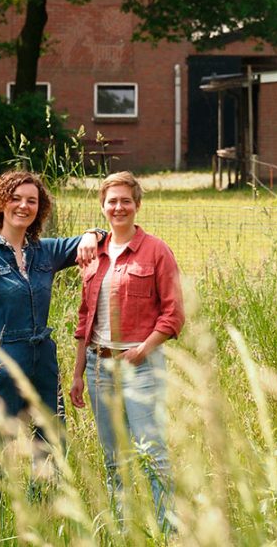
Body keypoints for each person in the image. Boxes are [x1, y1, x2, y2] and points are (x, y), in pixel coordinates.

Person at [0, 170, 103, 475]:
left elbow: (102, 237)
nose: (23, 206)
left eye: (32, 201)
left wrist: (90, 234)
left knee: (52, 446)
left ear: (39, 208)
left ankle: (45, 515)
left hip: (42, 362)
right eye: (15, 198)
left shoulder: (45, 251)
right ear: (1, 202)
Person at [69, 171, 184, 532]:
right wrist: (77, 374)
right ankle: (120, 530)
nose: (118, 207)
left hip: (142, 366)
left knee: (153, 453)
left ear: (137, 205)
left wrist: (143, 350)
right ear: (102, 207)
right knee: (112, 457)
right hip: (98, 367)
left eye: (125, 200)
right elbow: (84, 317)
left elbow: (174, 313)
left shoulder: (156, 250)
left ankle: (168, 532)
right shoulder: (93, 253)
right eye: (111, 201)